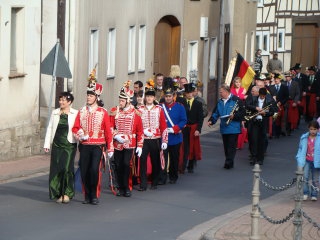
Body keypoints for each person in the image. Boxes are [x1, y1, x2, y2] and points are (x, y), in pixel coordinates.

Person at [72, 70, 114, 205]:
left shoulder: (103, 112)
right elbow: (75, 127)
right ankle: (86, 195)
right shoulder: (82, 111)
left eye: (91, 95)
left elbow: (108, 131)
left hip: (97, 145)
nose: (88, 97)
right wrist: (79, 134)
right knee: (84, 170)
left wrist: (110, 147)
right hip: (84, 145)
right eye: (88, 95)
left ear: (96, 97)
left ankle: (94, 195)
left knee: (94, 170)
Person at [109, 80, 144, 197]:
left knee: (126, 164)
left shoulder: (136, 113)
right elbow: (109, 127)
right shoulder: (115, 111)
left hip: (130, 143)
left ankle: (127, 187)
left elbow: (140, 131)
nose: (120, 102)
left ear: (128, 101)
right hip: (117, 143)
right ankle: (119, 187)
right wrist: (115, 136)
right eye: (119, 100)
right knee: (118, 165)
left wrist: (140, 146)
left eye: (122, 100)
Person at [44, 92, 78, 203]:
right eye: (60, 100)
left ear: (69, 102)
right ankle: (58, 193)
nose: (61, 102)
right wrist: (47, 144)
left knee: (67, 168)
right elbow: (50, 128)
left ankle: (67, 193)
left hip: (69, 145)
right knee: (56, 168)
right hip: (57, 144)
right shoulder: (55, 113)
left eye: (63, 100)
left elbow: (78, 128)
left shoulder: (75, 113)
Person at [138, 84, 168, 191]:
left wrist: (164, 140)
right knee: (142, 161)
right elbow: (137, 125)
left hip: (155, 139)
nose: (149, 98)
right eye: (147, 96)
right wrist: (143, 131)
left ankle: (154, 182)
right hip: (144, 139)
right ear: (145, 97)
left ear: (154, 98)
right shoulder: (140, 109)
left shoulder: (159, 109)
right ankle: (143, 184)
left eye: (151, 96)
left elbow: (163, 126)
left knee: (156, 161)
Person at [208, 84, 245, 169]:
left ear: (226, 91)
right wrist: (211, 121)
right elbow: (216, 113)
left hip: (233, 127)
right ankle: (229, 160)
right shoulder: (220, 101)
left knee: (231, 146)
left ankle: (228, 162)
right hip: (224, 127)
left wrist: (234, 116)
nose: (220, 94)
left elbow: (242, 113)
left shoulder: (236, 100)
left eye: (221, 92)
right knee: (226, 146)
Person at [159, 84, 187, 184]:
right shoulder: (160, 107)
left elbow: (184, 120)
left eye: (170, 96)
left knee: (174, 158)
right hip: (164, 137)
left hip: (175, 137)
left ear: (173, 96)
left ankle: (173, 176)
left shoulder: (180, 107)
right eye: (166, 96)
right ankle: (162, 178)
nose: (168, 98)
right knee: (163, 158)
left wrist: (175, 129)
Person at [245, 88, 276, 165]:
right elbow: (247, 105)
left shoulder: (269, 101)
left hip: (263, 123)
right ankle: (254, 157)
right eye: (261, 95)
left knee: (261, 141)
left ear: (265, 95)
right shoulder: (254, 99)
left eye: (263, 96)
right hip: (255, 122)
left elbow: (272, 111)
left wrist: (264, 113)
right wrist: (256, 108)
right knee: (253, 140)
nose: (262, 97)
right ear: (259, 94)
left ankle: (260, 158)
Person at [182, 82, 203, 173]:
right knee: (184, 146)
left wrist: (198, 129)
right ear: (185, 94)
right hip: (184, 127)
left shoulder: (198, 103)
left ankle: (191, 165)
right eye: (187, 93)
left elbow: (200, 118)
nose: (189, 94)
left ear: (193, 93)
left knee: (193, 147)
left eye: (191, 92)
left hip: (193, 127)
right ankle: (183, 164)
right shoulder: (182, 103)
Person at [296, 120, 320, 201]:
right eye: (311, 129)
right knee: (305, 177)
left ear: (318, 129)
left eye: (315, 129)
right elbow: (300, 148)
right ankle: (305, 193)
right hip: (306, 160)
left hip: (317, 162)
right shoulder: (304, 137)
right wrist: (299, 158)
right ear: (308, 129)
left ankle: (314, 194)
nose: (313, 131)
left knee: (315, 179)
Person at [284, 71, 300, 135]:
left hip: (292, 102)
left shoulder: (295, 83)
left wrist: (295, 102)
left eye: (288, 76)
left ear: (291, 77)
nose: (287, 78)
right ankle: (284, 129)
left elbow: (297, 93)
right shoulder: (283, 83)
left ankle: (289, 129)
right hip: (285, 102)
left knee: (290, 116)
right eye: (286, 77)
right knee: (285, 116)